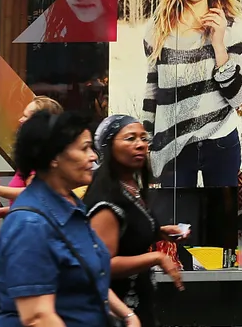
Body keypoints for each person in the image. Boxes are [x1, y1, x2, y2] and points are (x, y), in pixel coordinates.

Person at [0, 110, 141, 327]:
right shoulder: (29, 224)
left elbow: (90, 274)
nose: (93, 156)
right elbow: (37, 317)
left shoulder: (73, 206)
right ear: (54, 157)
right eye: (84, 148)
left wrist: (128, 316)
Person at [143, 0, 242, 188]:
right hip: (173, 145)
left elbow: (239, 98)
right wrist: (148, 142)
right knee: (179, 225)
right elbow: (152, 91)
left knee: (220, 225)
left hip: (221, 141)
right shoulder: (157, 30)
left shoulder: (231, 27)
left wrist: (219, 44)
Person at [85, 115, 186, 327]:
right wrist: (156, 258)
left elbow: (128, 233)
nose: (140, 145)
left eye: (143, 138)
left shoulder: (130, 186)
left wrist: (158, 232)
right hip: (117, 311)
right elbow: (103, 264)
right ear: (108, 146)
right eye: (130, 138)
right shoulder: (107, 198)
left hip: (141, 303)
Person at [0, 97, 66, 207]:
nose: (21, 120)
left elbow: (33, 194)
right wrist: (3, 212)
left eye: (26, 117)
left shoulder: (39, 157)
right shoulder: (37, 152)